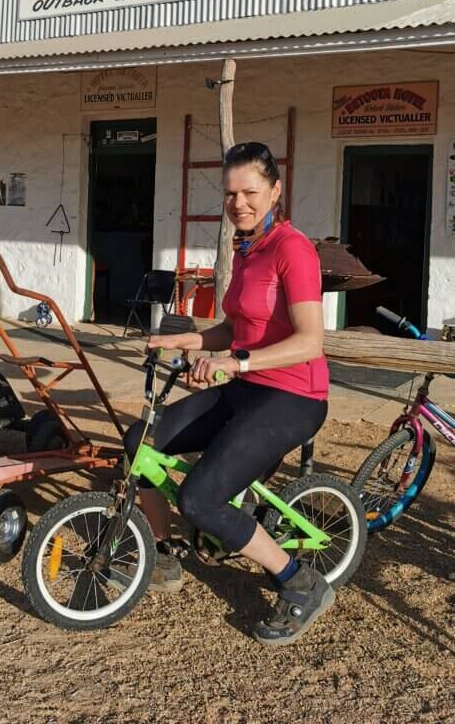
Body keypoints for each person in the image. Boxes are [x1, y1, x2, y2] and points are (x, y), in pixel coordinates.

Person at [123, 141, 332, 646]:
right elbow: (235, 328)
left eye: (250, 192)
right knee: (139, 444)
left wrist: (232, 362)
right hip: (247, 385)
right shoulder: (245, 249)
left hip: (294, 397)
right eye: (231, 193)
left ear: (276, 191)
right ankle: (165, 554)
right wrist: (184, 339)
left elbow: (309, 341)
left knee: (200, 496)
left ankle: (300, 582)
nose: (239, 202)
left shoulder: (293, 249)